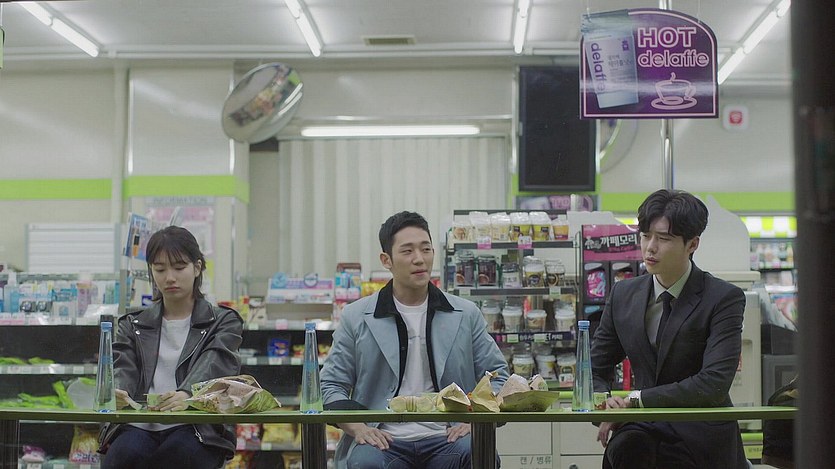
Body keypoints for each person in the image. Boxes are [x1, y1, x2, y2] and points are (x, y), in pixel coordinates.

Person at [320, 211, 510, 469]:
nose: (419, 259)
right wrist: (358, 427)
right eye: (407, 251)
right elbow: (331, 384)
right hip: (383, 440)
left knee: (478, 453)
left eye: (426, 249)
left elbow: (499, 377)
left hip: (449, 437)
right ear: (386, 260)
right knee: (366, 463)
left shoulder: (466, 314)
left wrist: (475, 420)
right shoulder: (356, 316)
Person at [591, 189, 748, 469]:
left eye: (664, 238)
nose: (650, 247)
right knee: (626, 449)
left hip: (699, 434)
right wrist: (607, 404)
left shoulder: (723, 298)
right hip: (639, 433)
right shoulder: (623, 295)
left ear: (692, 244)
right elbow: (593, 369)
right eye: (645, 235)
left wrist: (635, 400)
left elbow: (713, 383)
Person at [98, 226, 243, 469]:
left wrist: (188, 395)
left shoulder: (223, 321)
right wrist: (119, 392)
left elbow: (217, 363)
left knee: (179, 455)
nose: (170, 277)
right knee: (122, 456)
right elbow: (122, 366)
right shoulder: (132, 324)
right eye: (160, 269)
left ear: (197, 268)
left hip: (196, 425)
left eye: (179, 267)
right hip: (140, 423)